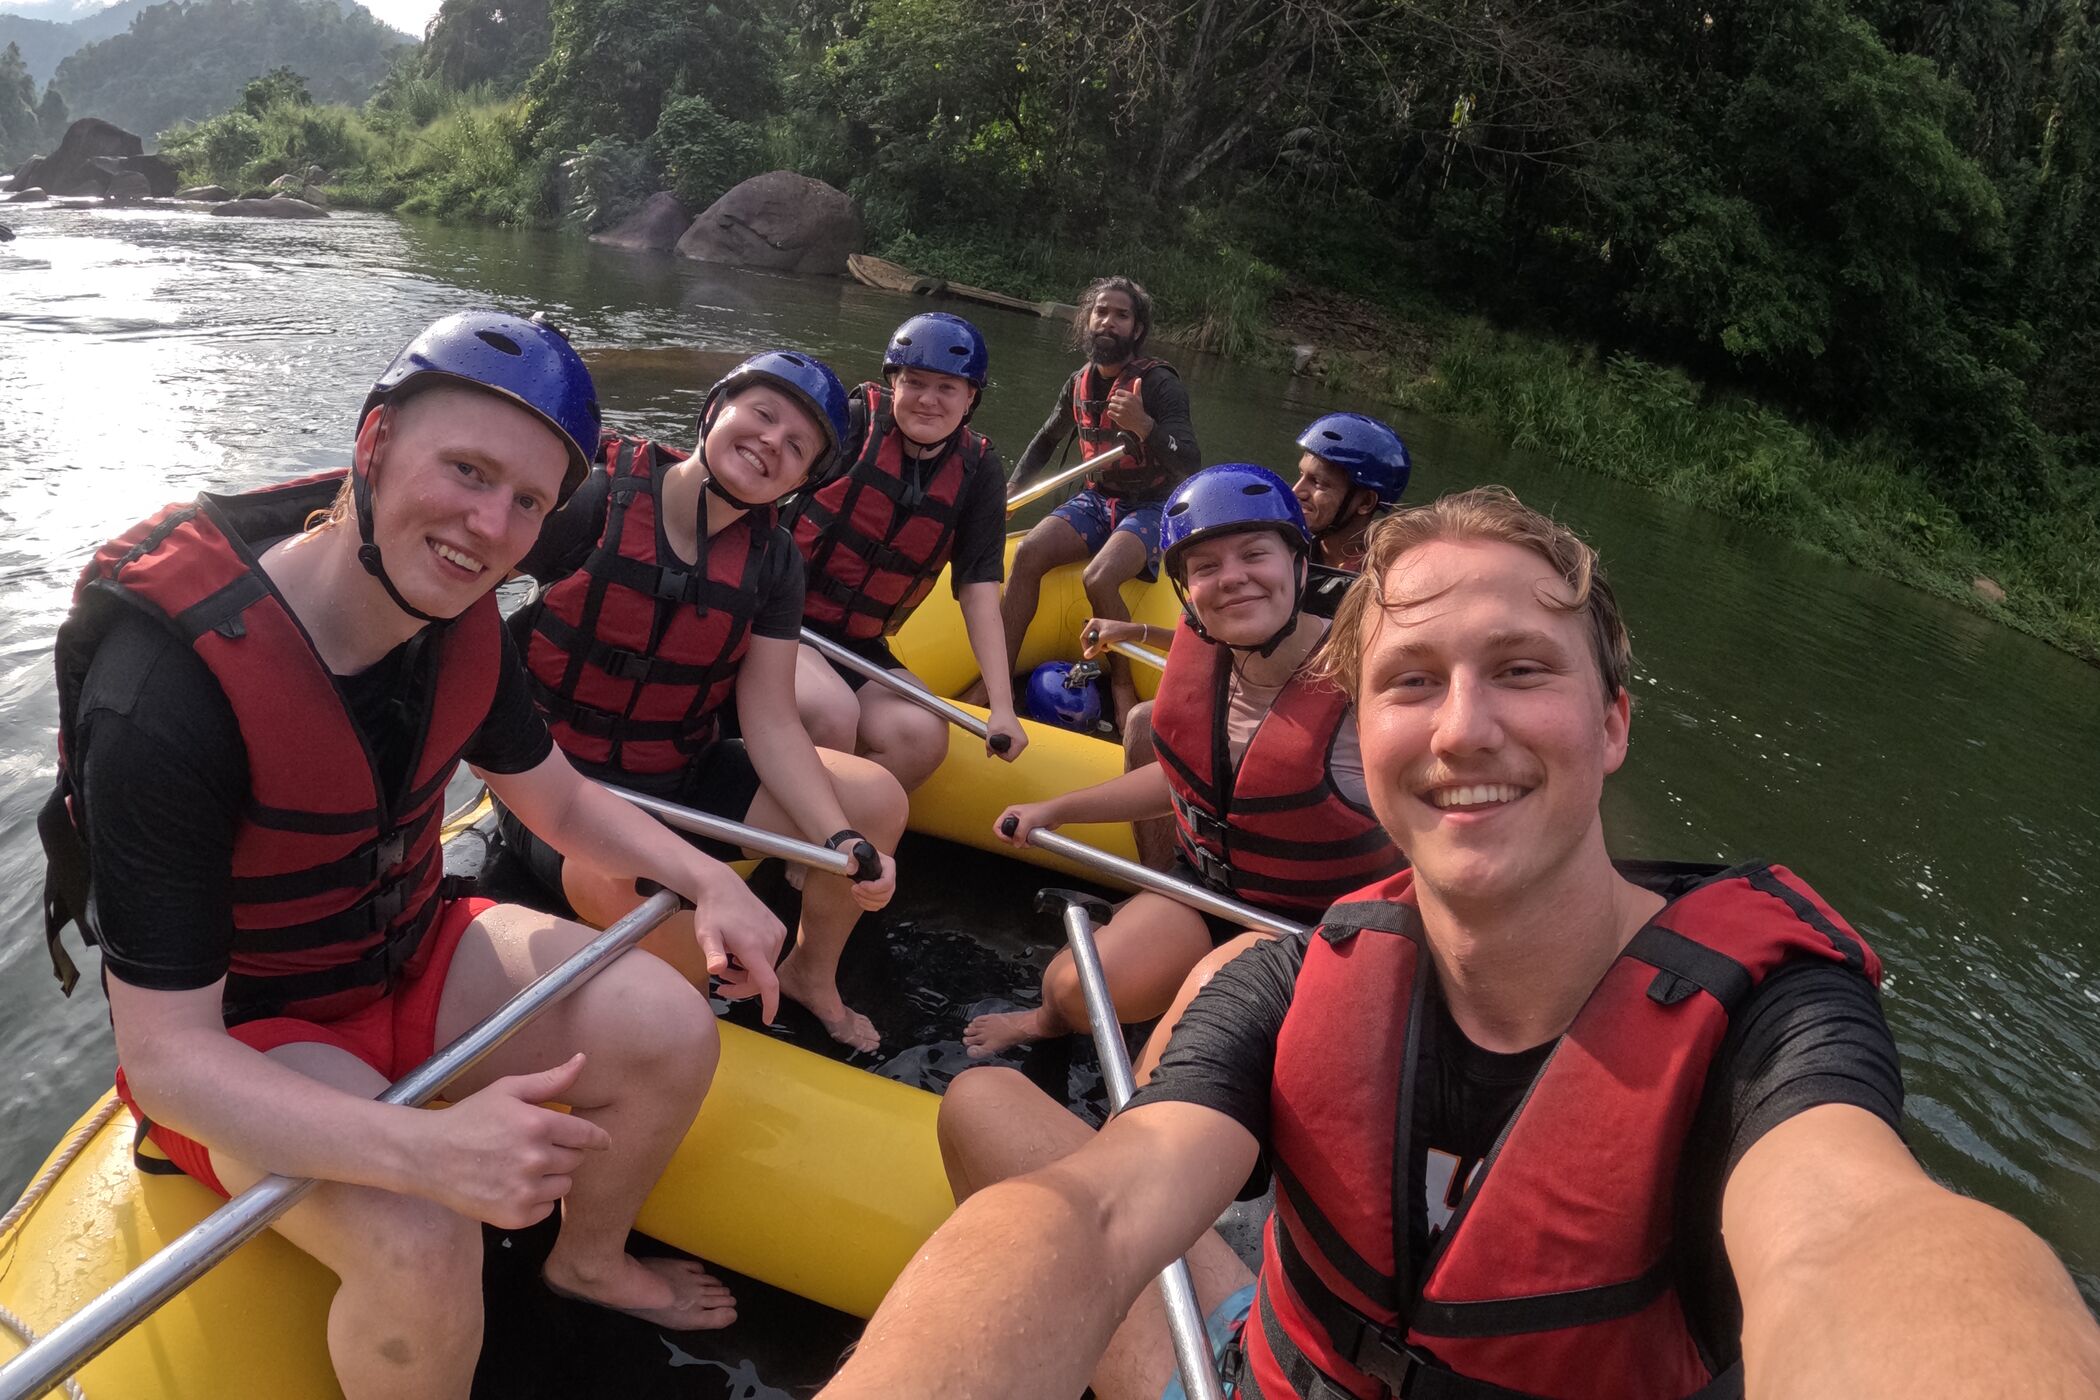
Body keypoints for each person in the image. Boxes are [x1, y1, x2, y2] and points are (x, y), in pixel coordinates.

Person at [823, 486, 2100, 1400]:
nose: (1462, 728)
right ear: (1363, 730)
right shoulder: (1283, 977)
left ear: (1612, 725)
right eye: (1413, 680)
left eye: (1522, 669)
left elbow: (1857, 1242)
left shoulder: (1768, 1025)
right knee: (989, 1107)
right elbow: (1097, 1217)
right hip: (1265, 1365)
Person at [38, 311, 796, 1400]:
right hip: (255, 1033)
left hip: (407, 949)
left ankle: (586, 1261)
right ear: (377, 443)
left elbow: (560, 799)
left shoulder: (462, 618)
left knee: (669, 1023)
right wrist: (427, 1154)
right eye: (468, 470)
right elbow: (165, 1056)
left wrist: (714, 877)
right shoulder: (166, 694)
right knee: (425, 1239)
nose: (491, 525)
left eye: (528, 501)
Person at [504, 350, 906, 1053]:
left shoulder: (774, 561)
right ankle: (693, 1008)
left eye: (797, 445)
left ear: (804, 478)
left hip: (679, 777)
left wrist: (840, 839)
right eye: (763, 414)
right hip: (560, 788)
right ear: (717, 409)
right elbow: (466, 591)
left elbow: (772, 720)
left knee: (875, 801)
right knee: (618, 876)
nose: (770, 442)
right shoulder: (594, 504)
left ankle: (812, 973)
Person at [963, 464, 1402, 1060]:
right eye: (1206, 568)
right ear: (1184, 590)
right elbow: (1186, 778)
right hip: (1208, 889)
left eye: (1254, 555)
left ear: (1300, 566)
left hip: (1312, 931)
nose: (1233, 580)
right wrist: (1056, 809)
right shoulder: (1206, 652)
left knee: (1176, 1056)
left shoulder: (1370, 688)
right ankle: (1046, 1022)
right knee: (1069, 988)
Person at [1111, 412, 1414, 869]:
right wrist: (1139, 632)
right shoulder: (1289, 547)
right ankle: (1167, 874)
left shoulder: (1392, 583)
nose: (1298, 492)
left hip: (1340, 730)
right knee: (1141, 724)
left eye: (1319, 483)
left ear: (1365, 501)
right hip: (1264, 700)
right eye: (1301, 476)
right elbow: (1226, 640)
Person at [786, 312, 1027, 790]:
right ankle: (799, 835)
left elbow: (979, 589)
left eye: (947, 388)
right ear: (892, 382)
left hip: (856, 643)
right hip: (778, 620)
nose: (928, 400)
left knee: (921, 736)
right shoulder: (850, 426)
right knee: (832, 712)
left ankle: (814, 858)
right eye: (914, 382)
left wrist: (1002, 704)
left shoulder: (979, 473)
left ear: (971, 398)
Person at [969, 275, 1199, 727]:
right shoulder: (1079, 382)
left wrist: (1145, 426)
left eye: (1121, 315)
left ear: (1136, 329)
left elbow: (1190, 462)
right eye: (1100, 312)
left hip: (1152, 506)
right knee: (1030, 552)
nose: (1108, 322)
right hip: (1097, 499)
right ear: (1086, 321)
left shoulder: (1159, 384)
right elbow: (1045, 440)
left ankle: (1121, 685)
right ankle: (993, 679)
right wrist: (1011, 490)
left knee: (1099, 578)